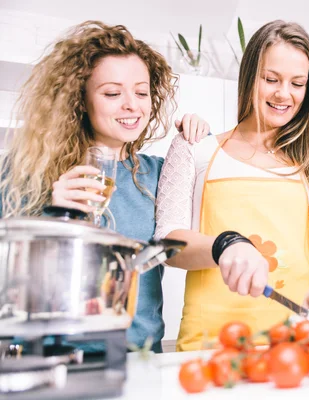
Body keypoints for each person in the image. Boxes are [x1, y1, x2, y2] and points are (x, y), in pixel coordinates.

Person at [0, 20, 209, 353]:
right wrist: (52, 216)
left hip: (140, 359)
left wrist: (197, 144)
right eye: (112, 93)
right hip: (53, 361)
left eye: (141, 92)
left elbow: (206, 215)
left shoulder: (160, 175)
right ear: (80, 100)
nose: (132, 104)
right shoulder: (26, 171)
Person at [154, 20, 309, 351]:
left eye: (297, 83)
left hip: (296, 346)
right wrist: (225, 245)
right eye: (271, 79)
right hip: (211, 347)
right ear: (250, 76)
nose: (284, 94)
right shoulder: (197, 148)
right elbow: (166, 243)